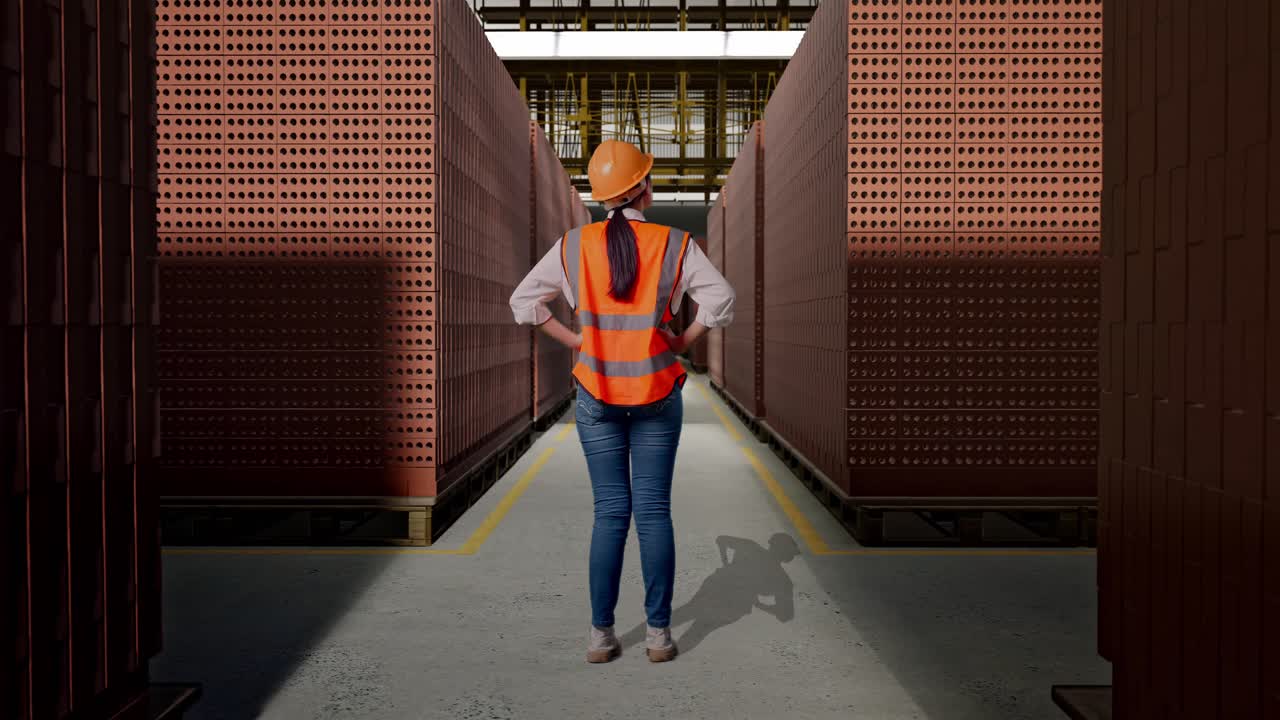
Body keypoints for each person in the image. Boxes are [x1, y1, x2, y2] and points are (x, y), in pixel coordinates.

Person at [508, 139, 735, 664]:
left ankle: (601, 636)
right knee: (653, 513)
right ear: (640, 188)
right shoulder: (675, 244)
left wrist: (577, 341)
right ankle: (658, 635)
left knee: (610, 513)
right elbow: (721, 298)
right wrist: (684, 341)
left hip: (596, 394)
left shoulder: (572, 246)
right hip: (657, 393)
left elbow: (524, 301)